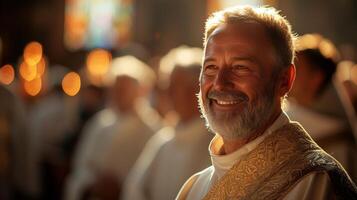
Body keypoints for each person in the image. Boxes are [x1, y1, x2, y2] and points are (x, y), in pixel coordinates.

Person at [176, 5, 357, 200]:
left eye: (240, 67)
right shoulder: (194, 188)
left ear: (284, 80)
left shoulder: (317, 182)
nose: (220, 83)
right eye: (211, 67)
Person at [121, 46, 212, 200]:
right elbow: (134, 189)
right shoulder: (163, 141)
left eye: (175, 85)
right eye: (166, 85)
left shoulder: (214, 143)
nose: (168, 92)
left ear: (196, 90)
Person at [64, 55, 161, 200]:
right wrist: (92, 183)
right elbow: (82, 164)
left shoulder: (152, 128)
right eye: (116, 88)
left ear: (139, 90)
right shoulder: (100, 123)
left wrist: (121, 186)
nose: (119, 93)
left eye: (124, 88)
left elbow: (151, 178)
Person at [285, 34, 357, 180]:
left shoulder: (338, 140)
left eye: (297, 68)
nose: (288, 75)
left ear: (316, 77)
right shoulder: (288, 117)